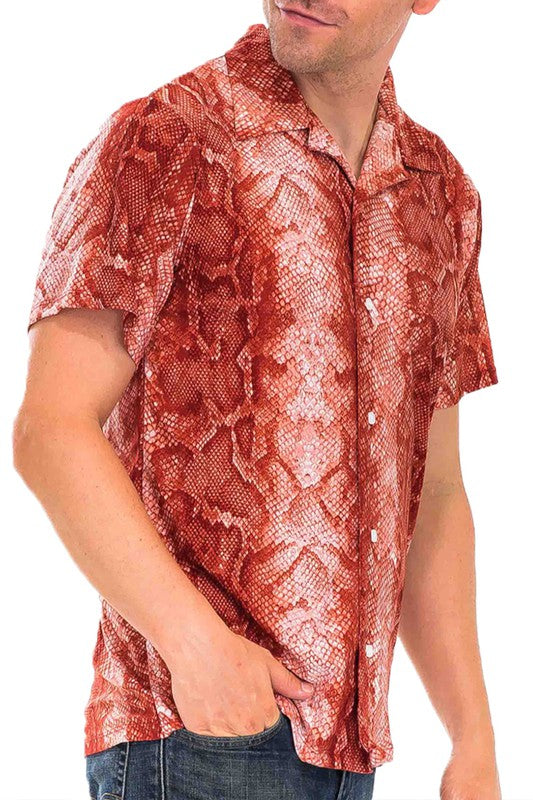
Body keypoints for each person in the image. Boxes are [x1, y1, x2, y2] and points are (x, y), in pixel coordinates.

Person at [13, 1, 502, 799]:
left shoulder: (440, 195)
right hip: (194, 733)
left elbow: (433, 491)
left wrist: (471, 734)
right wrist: (195, 647)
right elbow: (51, 429)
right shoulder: (166, 137)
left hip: (352, 751)